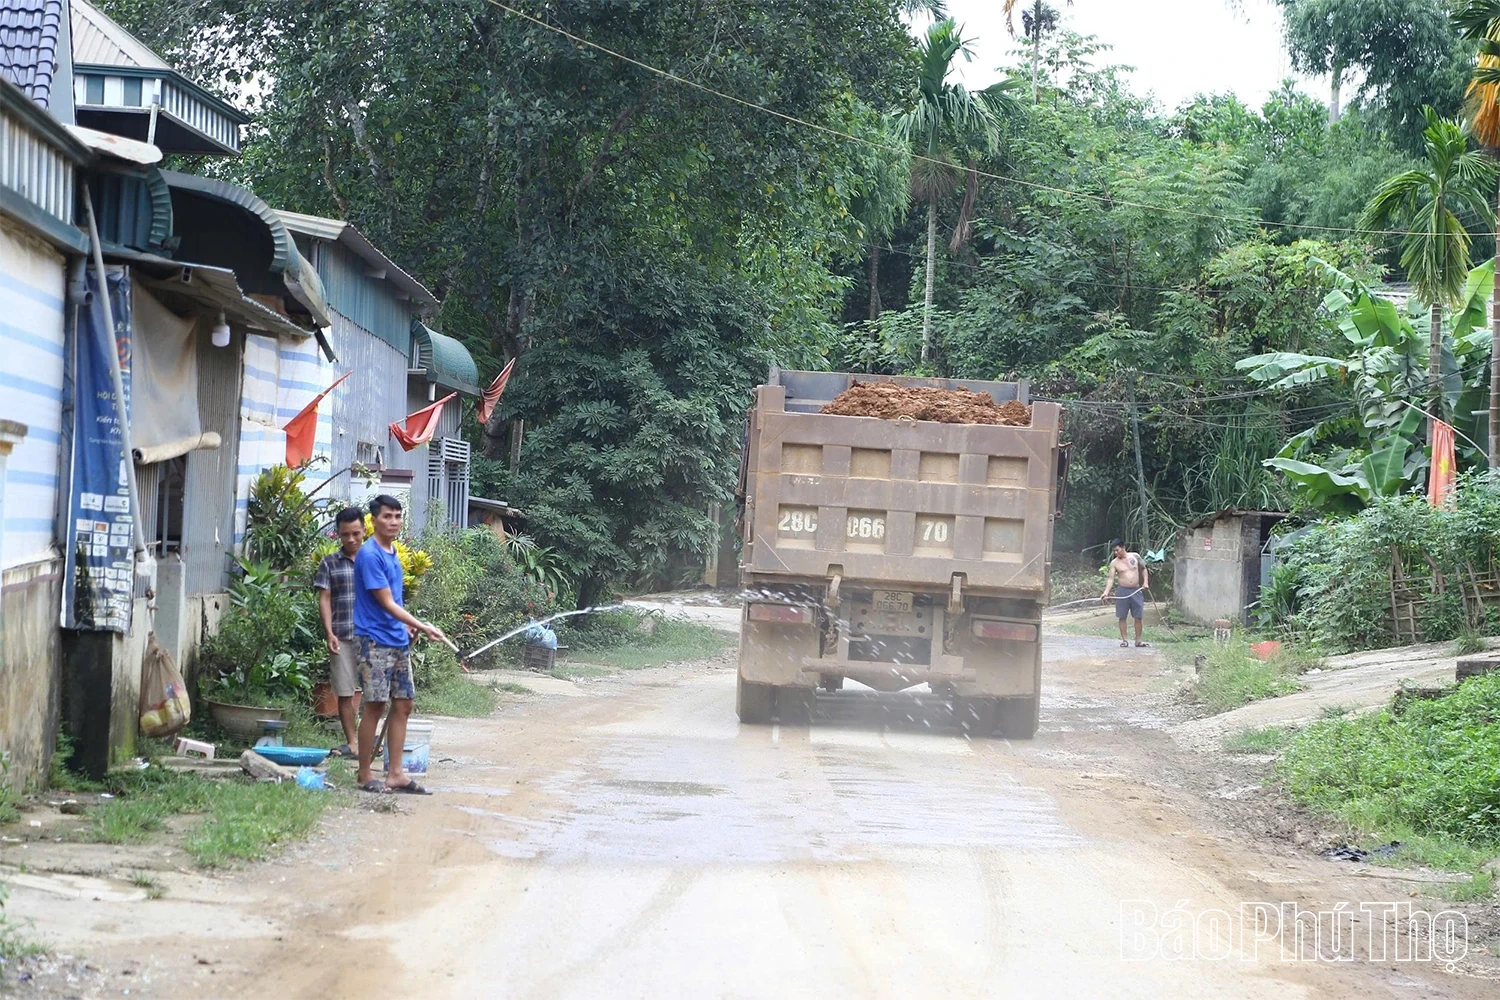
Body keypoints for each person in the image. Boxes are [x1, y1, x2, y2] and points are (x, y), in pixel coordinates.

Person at [354, 494, 447, 794]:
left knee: (404, 704)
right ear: (374, 520)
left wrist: (408, 625)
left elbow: (395, 600)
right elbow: (385, 602)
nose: (393, 522)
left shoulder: (392, 551)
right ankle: (364, 774)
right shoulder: (370, 555)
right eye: (387, 516)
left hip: (396, 639)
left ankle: (395, 773)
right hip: (373, 640)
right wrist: (423, 625)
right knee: (375, 705)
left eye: (397, 516)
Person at [313, 507, 365, 757]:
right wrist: (329, 632)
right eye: (345, 534)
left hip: (372, 637)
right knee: (345, 691)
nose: (351, 539)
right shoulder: (329, 562)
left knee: (376, 693)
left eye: (356, 533)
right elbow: (324, 598)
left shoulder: (374, 560)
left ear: (364, 530)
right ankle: (352, 742)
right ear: (338, 534)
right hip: (341, 636)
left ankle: (369, 740)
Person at [1101, 538, 1149, 648]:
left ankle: (1138, 641)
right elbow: (1111, 579)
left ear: (1123, 548)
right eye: (1114, 551)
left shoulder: (1135, 556)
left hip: (1136, 590)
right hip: (1122, 591)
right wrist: (1106, 592)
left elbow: (1144, 569)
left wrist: (1145, 582)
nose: (1115, 553)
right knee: (1122, 616)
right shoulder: (1114, 563)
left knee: (1138, 616)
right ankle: (1124, 640)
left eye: (1117, 550)